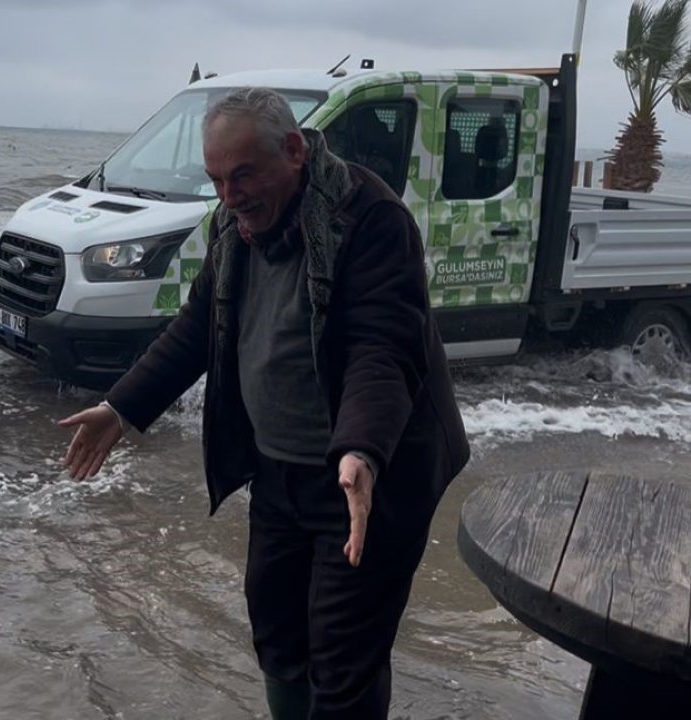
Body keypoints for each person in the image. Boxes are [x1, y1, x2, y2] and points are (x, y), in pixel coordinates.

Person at [57, 87, 470, 719]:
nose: (230, 194)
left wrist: (362, 449)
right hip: (279, 473)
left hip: (369, 480)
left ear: (296, 151)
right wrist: (121, 409)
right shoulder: (234, 222)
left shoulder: (370, 220)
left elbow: (381, 349)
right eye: (218, 179)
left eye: (244, 173)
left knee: (344, 662)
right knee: (278, 639)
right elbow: (199, 325)